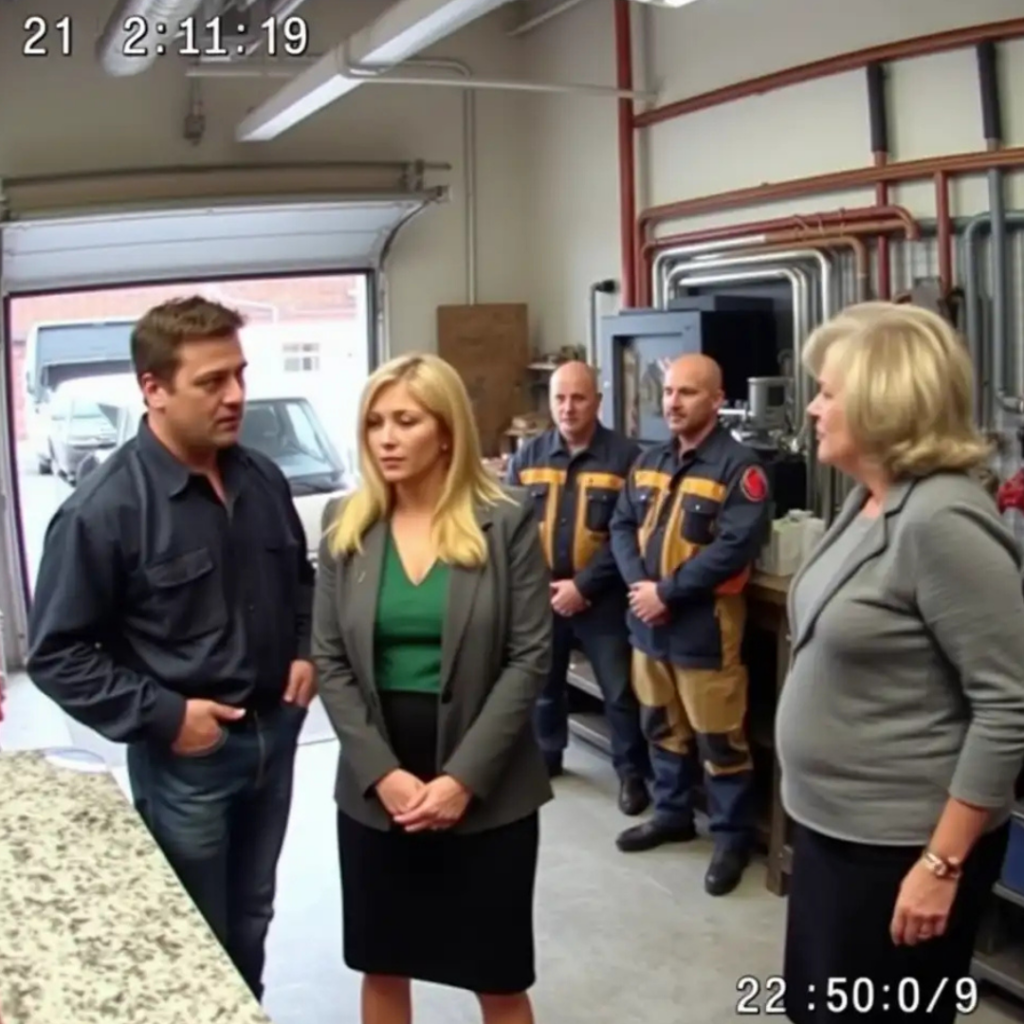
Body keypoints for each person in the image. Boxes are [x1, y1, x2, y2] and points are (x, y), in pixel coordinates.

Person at [26, 296, 316, 1001]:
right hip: (189, 761)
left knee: (251, 918)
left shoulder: (261, 479)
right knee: (192, 935)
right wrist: (167, 717)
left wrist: (305, 650)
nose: (236, 395)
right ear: (153, 389)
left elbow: (301, 581)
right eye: (211, 381)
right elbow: (57, 654)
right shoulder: (103, 510)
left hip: (275, 740)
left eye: (239, 374)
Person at [775, 301, 1024, 1024]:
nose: (813, 408)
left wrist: (941, 865)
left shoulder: (942, 520)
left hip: (900, 850)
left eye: (828, 392)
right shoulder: (870, 499)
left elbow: (1008, 705)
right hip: (834, 833)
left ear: (884, 402)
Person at [311, 353, 552, 1024]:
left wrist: (462, 780)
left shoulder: (505, 520)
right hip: (377, 786)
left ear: (446, 432)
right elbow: (329, 658)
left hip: (488, 786)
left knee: (498, 976)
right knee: (383, 963)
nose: (385, 438)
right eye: (374, 423)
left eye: (406, 421)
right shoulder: (344, 521)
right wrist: (381, 774)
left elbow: (530, 656)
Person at [609, 353, 770, 896]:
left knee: (719, 737)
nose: (673, 402)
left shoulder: (739, 468)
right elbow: (622, 524)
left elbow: (735, 546)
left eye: (688, 393)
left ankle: (731, 838)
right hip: (647, 625)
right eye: (669, 392)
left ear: (717, 401)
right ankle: (672, 814)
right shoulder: (649, 460)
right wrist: (640, 586)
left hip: (704, 628)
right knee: (661, 724)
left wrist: (667, 592)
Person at [506, 361, 650, 813]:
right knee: (543, 687)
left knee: (619, 692)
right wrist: (544, 586)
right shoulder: (528, 458)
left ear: (597, 402)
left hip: (603, 600)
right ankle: (547, 757)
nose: (568, 408)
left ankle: (631, 774)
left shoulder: (627, 459)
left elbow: (631, 536)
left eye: (578, 398)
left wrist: (583, 586)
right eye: (560, 398)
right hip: (542, 597)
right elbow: (511, 530)